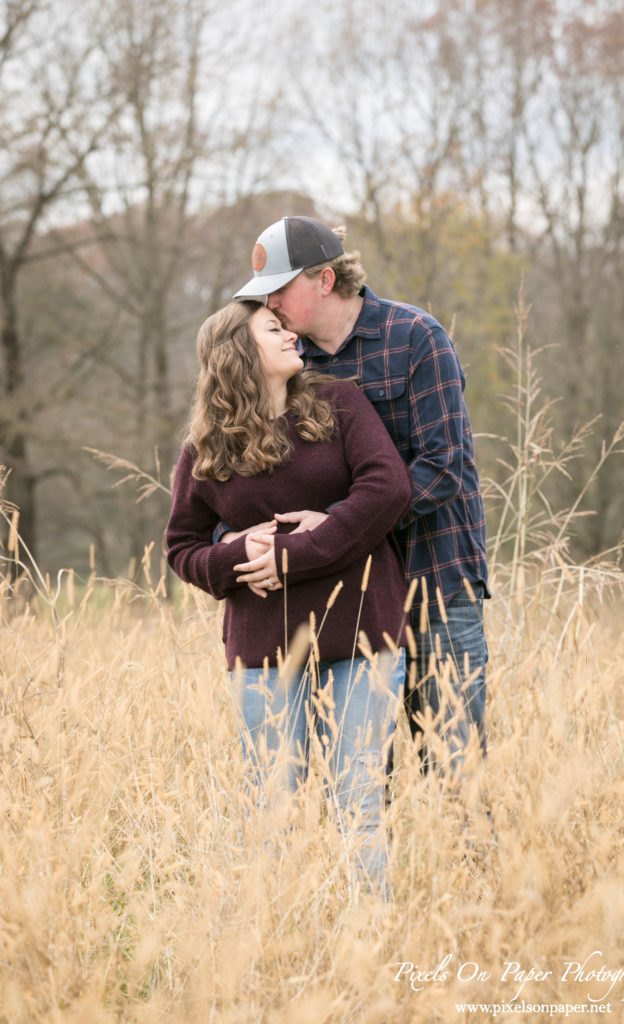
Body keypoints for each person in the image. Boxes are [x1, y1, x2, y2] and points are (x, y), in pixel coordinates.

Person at [226, 215, 490, 781]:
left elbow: (445, 467)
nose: (269, 302)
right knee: (370, 784)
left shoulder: (415, 337)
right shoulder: (291, 366)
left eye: (280, 287)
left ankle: (462, 874)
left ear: (324, 280)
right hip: (351, 606)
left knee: (456, 778)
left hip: (435, 585)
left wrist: (338, 524)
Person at [165, 299, 412, 895]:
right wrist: (234, 559)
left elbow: (388, 488)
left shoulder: (340, 405)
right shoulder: (207, 448)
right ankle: (279, 944)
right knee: (271, 811)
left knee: (358, 802)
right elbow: (182, 547)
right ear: (238, 353)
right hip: (263, 651)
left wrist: (292, 554)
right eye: (273, 329)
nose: (290, 334)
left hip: (361, 634)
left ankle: (371, 944)